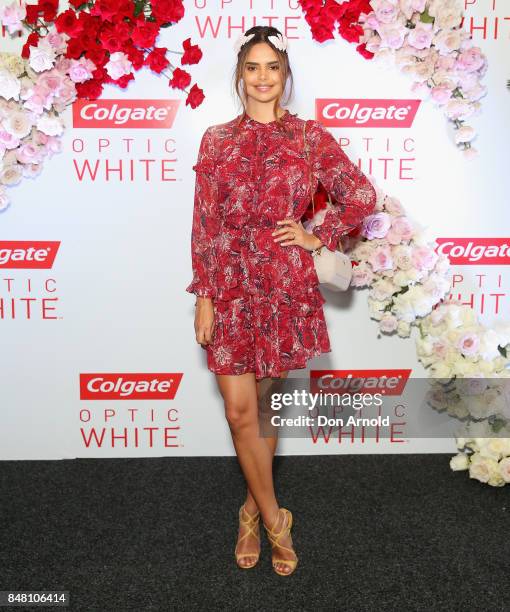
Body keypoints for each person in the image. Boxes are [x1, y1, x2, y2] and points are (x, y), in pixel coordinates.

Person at [186, 26, 376, 576]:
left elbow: (361, 196)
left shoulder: (310, 138)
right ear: (239, 75)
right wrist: (204, 297)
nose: (263, 77)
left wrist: (318, 235)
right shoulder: (216, 139)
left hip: (284, 287)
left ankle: (248, 510)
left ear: (285, 76)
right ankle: (274, 520)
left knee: (263, 412)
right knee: (239, 411)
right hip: (230, 284)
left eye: (273, 67)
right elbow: (204, 225)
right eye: (253, 67)